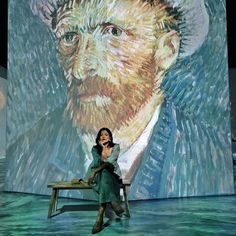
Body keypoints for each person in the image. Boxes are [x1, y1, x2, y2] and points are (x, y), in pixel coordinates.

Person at [5, 0, 234, 201]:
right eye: (69, 37)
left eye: (113, 33)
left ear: (167, 50)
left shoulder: (211, 160)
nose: (80, 68)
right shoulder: (24, 157)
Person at [87, 127, 124, 234]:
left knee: (105, 171)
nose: (103, 136)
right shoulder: (95, 149)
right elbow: (97, 163)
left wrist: (94, 172)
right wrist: (102, 149)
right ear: (98, 138)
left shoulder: (116, 147)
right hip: (99, 178)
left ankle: (99, 217)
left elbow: (110, 162)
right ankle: (113, 202)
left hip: (113, 176)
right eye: (101, 135)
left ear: (110, 137)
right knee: (103, 173)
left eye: (106, 134)